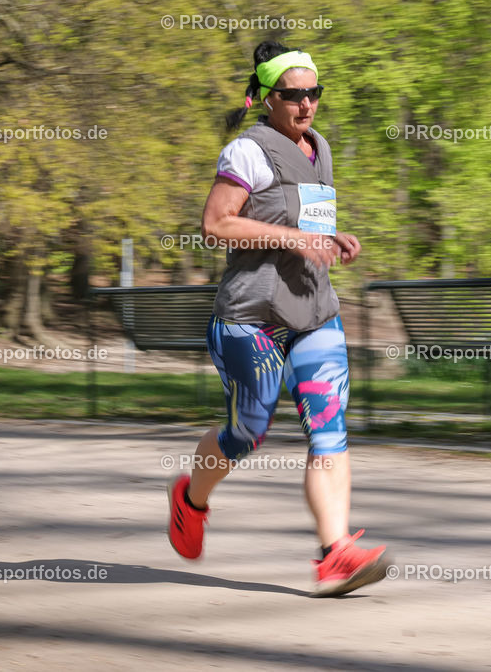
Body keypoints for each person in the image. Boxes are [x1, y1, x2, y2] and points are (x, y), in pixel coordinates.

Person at [166, 41, 390, 596]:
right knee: (248, 432)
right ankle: (190, 500)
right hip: (252, 319)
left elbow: (306, 221)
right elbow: (216, 224)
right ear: (268, 98)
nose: (306, 104)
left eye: (314, 92)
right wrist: (295, 238)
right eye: (293, 95)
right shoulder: (246, 151)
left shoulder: (320, 147)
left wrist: (331, 239)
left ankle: (334, 553)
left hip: (315, 314)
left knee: (329, 430)